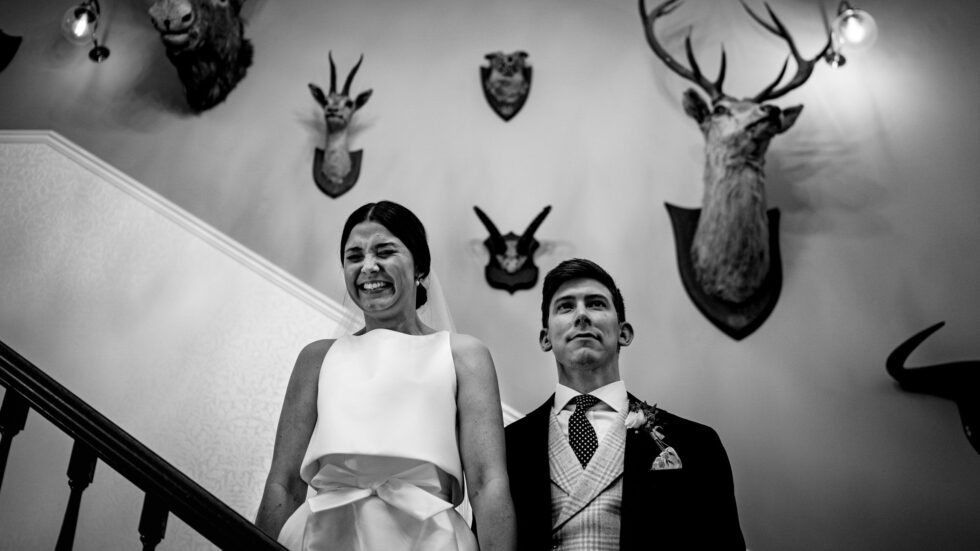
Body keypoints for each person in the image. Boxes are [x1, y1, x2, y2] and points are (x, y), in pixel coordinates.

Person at [256, 200, 516, 551]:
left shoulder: (464, 356)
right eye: (354, 256)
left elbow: (488, 484)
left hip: (429, 541)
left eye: (384, 251)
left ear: (420, 266)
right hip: (319, 539)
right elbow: (284, 484)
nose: (368, 267)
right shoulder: (317, 358)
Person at [505, 258, 745, 550]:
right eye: (566, 306)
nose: (581, 316)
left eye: (596, 304)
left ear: (624, 333)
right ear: (545, 338)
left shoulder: (696, 443)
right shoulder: (508, 446)